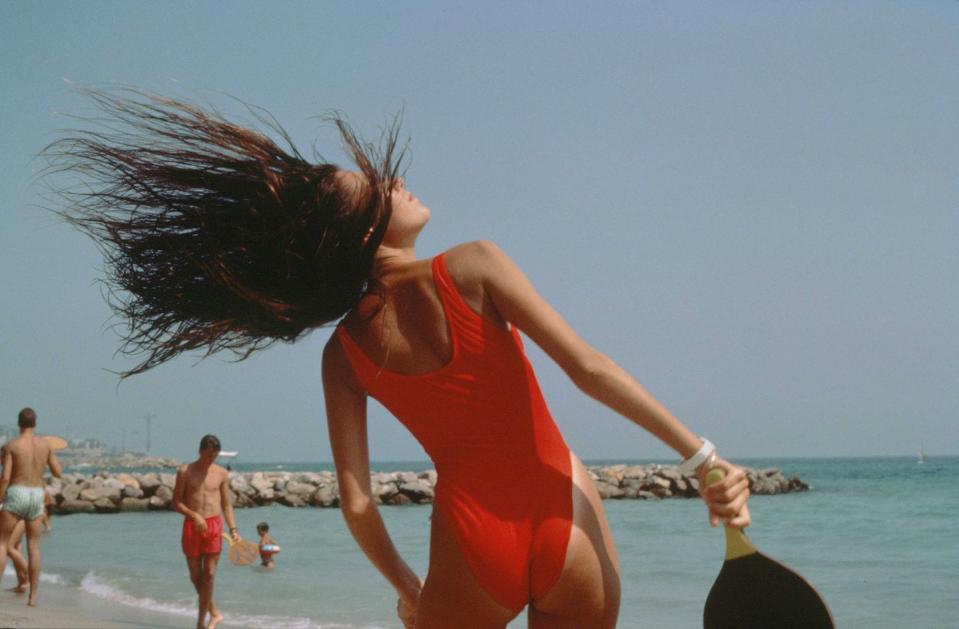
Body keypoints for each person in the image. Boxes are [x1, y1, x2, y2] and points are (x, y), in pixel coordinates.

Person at [53, 90, 751, 628]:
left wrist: (408, 588)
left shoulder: (342, 354)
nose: (400, 185)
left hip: (468, 546)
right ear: (361, 228)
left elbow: (356, 501)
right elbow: (587, 369)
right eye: (379, 187)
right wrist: (702, 459)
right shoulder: (475, 264)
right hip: (565, 510)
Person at [172, 434, 240, 629]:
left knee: (209, 574)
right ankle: (215, 613)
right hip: (192, 526)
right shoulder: (185, 471)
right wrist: (194, 515)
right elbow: (176, 502)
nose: (211, 459)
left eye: (215, 456)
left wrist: (233, 529)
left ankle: (201, 623)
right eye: (208, 455)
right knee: (196, 577)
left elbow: (227, 505)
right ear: (200, 451)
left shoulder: (221, 473)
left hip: (214, 526)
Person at [0, 408, 63, 607]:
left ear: (19, 424)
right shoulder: (45, 446)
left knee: (2, 544)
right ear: (35, 424)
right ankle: (33, 597)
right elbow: (58, 472)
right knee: (34, 547)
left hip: (17, 492)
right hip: (36, 494)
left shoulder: (11, 445)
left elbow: (6, 477)